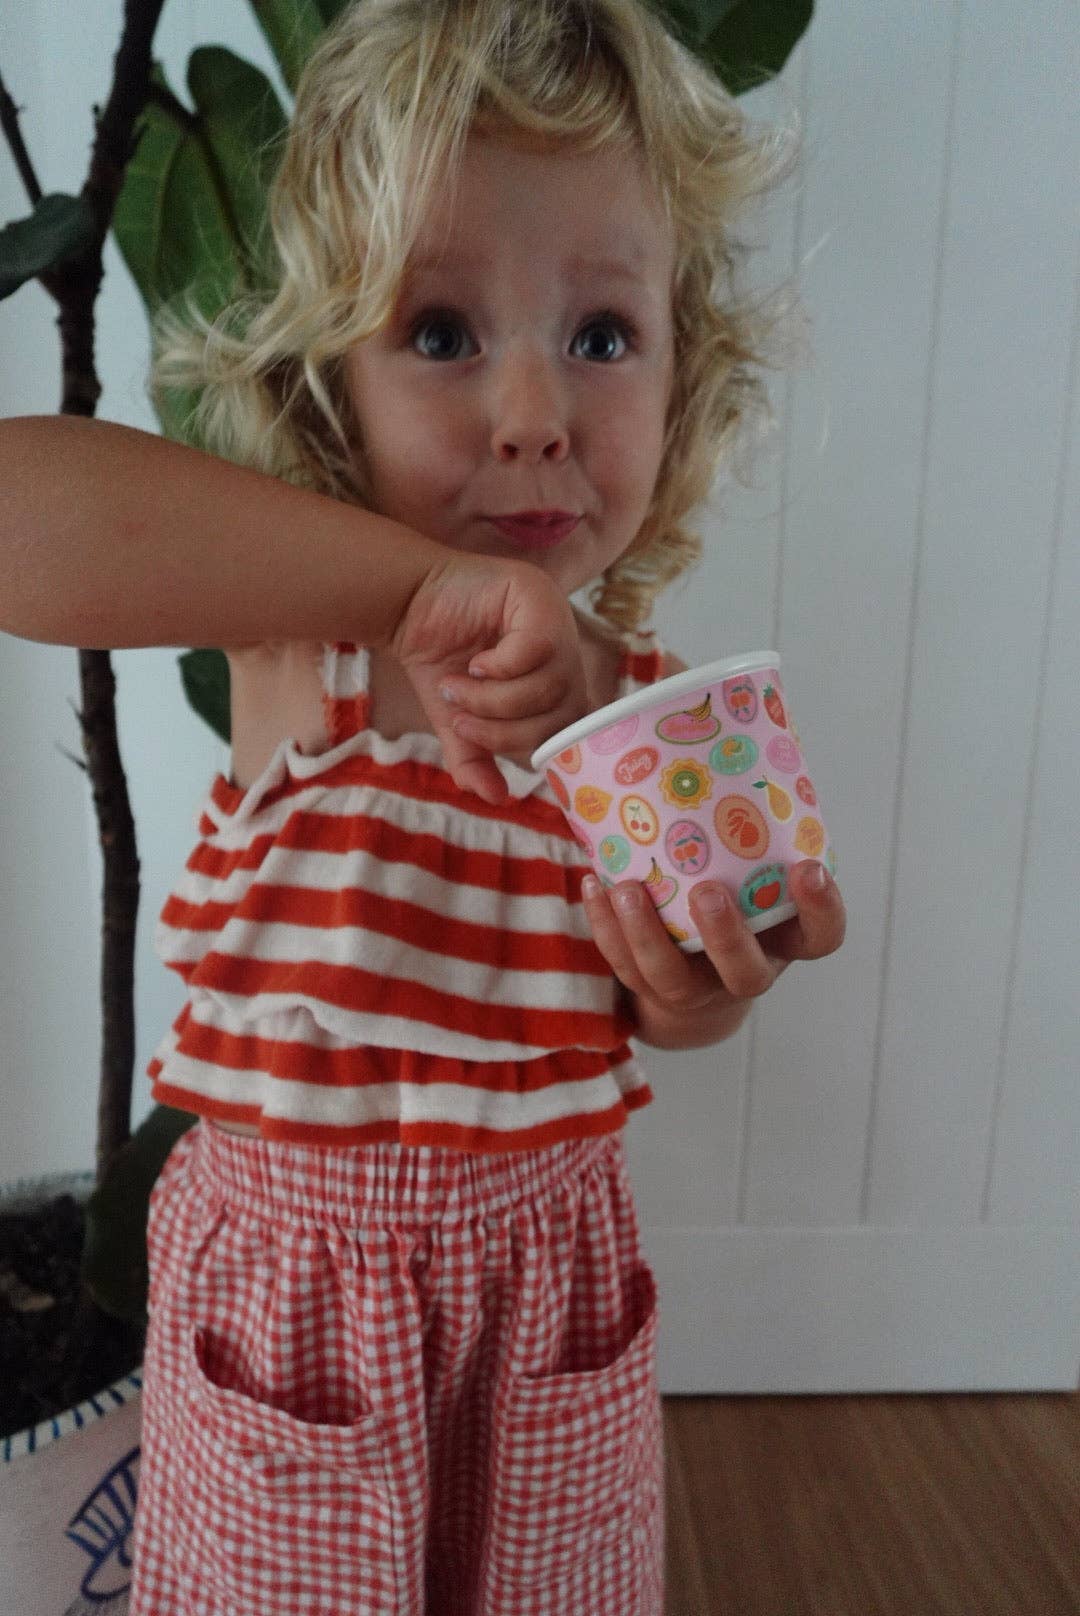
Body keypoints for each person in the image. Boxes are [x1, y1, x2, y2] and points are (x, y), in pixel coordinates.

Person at [0, 0, 845, 1609]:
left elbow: (617, 1010)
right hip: (295, 1300)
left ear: (686, 367)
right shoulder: (299, 637)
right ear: (330, 378)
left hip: (552, 1291)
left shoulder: (637, 717)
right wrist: (416, 594)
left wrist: (705, 995)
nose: (532, 408)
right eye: (442, 333)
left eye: (601, 335)